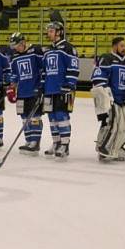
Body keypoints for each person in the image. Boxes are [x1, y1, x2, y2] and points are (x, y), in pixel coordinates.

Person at [90, 36, 125, 162]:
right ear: (114, 46)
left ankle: (116, 147)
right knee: (110, 124)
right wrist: (105, 94)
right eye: (121, 46)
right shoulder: (107, 58)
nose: (124, 48)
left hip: (123, 100)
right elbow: (98, 76)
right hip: (111, 99)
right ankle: (103, 147)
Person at [41, 21, 79, 158]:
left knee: (62, 116)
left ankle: (64, 145)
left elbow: (74, 68)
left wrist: (69, 84)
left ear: (59, 32)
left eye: (51, 31)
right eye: (48, 31)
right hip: (49, 89)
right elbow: (44, 71)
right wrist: (42, 86)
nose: (48, 33)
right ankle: (56, 142)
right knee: (51, 117)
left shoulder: (68, 48)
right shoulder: (47, 50)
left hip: (64, 89)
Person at [6, 33, 44, 155]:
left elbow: (43, 68)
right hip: (22, 91)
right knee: (24, 117)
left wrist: (41, 86)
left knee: (34, 117)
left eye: (16, 45)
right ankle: (28, 141)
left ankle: (35, 142)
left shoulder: (35, 50)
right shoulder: (14, 56)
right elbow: (14, 74)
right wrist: (11, 86)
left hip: (34, 90)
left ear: (23, 42)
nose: (15, 48)